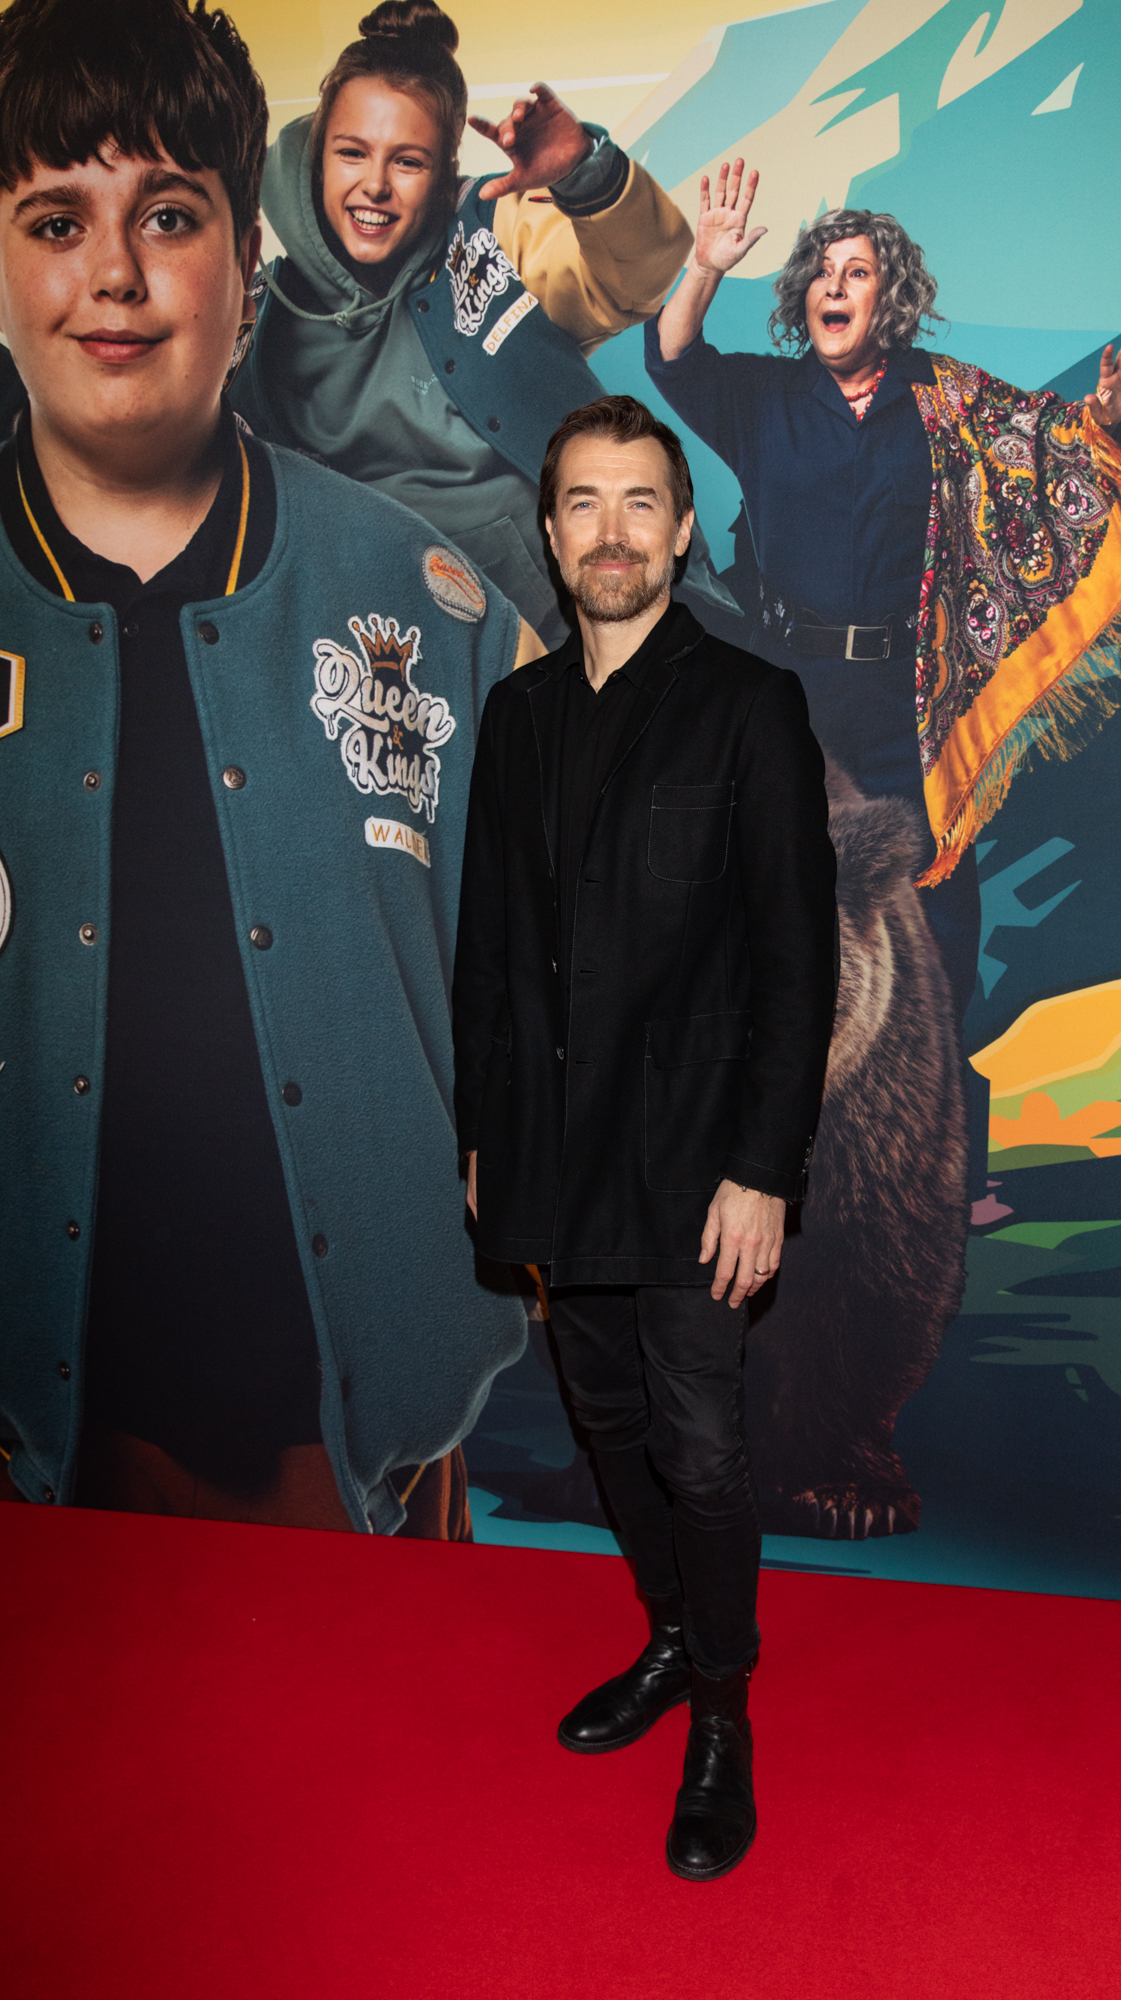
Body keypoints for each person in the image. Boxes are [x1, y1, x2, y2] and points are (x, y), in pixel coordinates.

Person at [0, 0, 529, 1535]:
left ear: (248, 258)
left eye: (170, 217)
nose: (115, 274)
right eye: (56, 221)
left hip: (363, 1457)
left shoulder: (427, 605)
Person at [451, 394, 838, 1879]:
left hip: (695, 1160)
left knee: (703, 1447)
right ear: (550, 537)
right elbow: (489, 950)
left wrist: (763, 1169)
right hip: (553, 1146)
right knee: (606, 1422)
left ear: (680, 532)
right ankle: (672, 1636)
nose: (610, 533)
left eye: (639, 504)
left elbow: (795, 964)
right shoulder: (518, 717)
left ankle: (723, 1712)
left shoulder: (750, 704)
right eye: (582, 504)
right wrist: (487, 1134)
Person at [646, 165, 1121, 1035]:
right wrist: (703, 263)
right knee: (778, 892)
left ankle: (942, 1098)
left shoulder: (944, 396)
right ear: (801, 296)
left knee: (936, 909)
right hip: (789, 690)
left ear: (887, 298)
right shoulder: (762, 398)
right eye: (821, 273)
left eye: (856, 272)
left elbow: (1050, 448)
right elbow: (672, 359)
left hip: (909, 698)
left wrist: (1109, 425)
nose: (834, 287)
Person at [227, 1, 703, 643]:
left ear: (444, 169)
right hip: (387, 644)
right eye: (352, 153)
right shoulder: (261, 308)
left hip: (571, 619)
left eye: (408, 161)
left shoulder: (491, 232)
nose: (375, 185)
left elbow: (639, 274)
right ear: (317, 155)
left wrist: (585, 175)